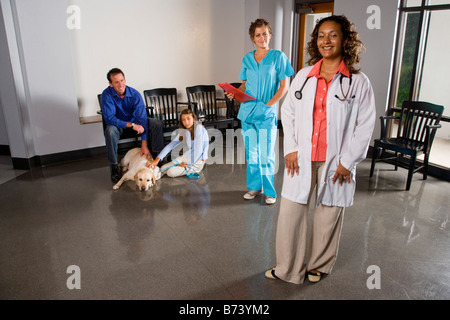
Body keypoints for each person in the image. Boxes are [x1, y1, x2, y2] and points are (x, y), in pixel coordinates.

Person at [265, 15, 376, 284]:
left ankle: (319, 265)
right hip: (301, 157)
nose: (326, 40)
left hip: (335, 160)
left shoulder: (358, 82)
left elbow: (366, 124)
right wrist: (290, 148)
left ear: (345, 40)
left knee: (329, 212)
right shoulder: (304, 76)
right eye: (321, 35)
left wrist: (347, 162)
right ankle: (287, 268)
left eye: (333, 35)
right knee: (290, 213)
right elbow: (288, 111)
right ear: (316, 41)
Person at [225, 18, 294, 205]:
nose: (262, 37)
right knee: (252, 153)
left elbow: (284, 87)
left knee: (266, 154)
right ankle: (255, 186)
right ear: (252, 38)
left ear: (270, 35)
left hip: (266, 113)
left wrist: (268, 105)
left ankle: (269, 191)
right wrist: (235, 92)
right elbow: (245, 83)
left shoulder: (279, 57)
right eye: (258, 35)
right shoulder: (247, 58)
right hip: (247, 112)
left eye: (265, 33)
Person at [101, 68, 165, 183]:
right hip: (118, 125)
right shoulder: (106, 95)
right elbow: (109, 119)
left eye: (122, 80)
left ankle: (157, 159)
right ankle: (114, 166)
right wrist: (131, 125)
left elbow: (143, 119)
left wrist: (144, 144)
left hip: (136, 123)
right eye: (116, 82)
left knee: (156, 123)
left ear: (125, 79)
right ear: (110, 84)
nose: (120, 84)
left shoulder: (135, 94)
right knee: (109, 131)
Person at [147, 109, 208, 178]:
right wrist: (157, 160)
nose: (186, 122)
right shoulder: (184, 131)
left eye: (188, 119)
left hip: (198, 160)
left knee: (170, 172)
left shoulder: (199, 128)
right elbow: (170, 145)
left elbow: (198, 150)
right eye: (183, 120)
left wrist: (188, 164)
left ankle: (191, 168)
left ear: (193, 119)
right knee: (162, 168)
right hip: (187, 155)